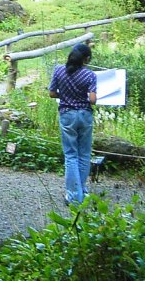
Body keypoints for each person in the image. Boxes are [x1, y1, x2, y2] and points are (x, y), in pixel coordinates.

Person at [48, 43, 97, 204]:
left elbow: (52, 93)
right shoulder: (89, 75)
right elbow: (92, 100)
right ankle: (81, 191)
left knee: (71, 155)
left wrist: (66, 96)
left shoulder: (59, 70)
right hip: (84, 115)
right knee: (84, 154)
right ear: (86, 59)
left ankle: (73, 196)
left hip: (67, 115)